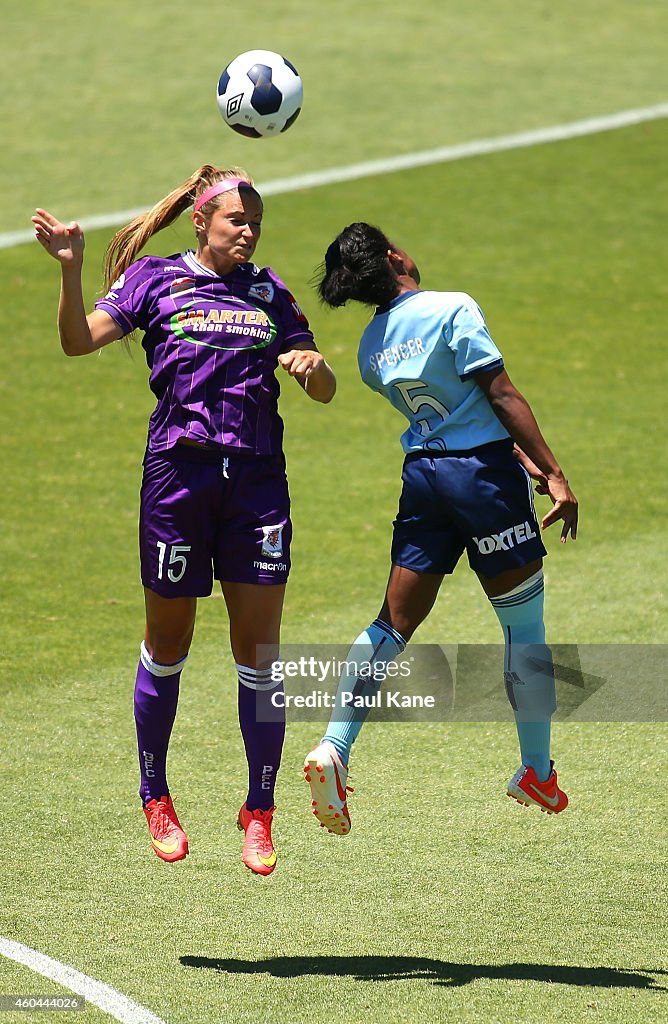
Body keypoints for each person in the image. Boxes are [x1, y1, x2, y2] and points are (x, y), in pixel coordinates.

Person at [32, 166, 336, 875]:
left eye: (256, 221)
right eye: (237, 220)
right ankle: (155, 793)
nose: (249, 231)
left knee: (260, 654)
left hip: (257, 484)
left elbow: (322, 390)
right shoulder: (155, 279)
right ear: (202, 221)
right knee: (168, 642)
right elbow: (79, 341)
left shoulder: (271, 292)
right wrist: (71, 271)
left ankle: (259, 812)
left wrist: (312, 365)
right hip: (179, 481)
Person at [303, 221, 577, 835]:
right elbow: (499, 396)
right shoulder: (452, 308)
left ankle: (334, 747)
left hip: (424, 479)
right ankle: (536, 771)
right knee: (523, 627)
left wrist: (521, 460)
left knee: (392, 621)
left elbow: (445, 413)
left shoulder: (371, 348)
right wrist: (555, 473)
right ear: (396, 256)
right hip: (481, 479)